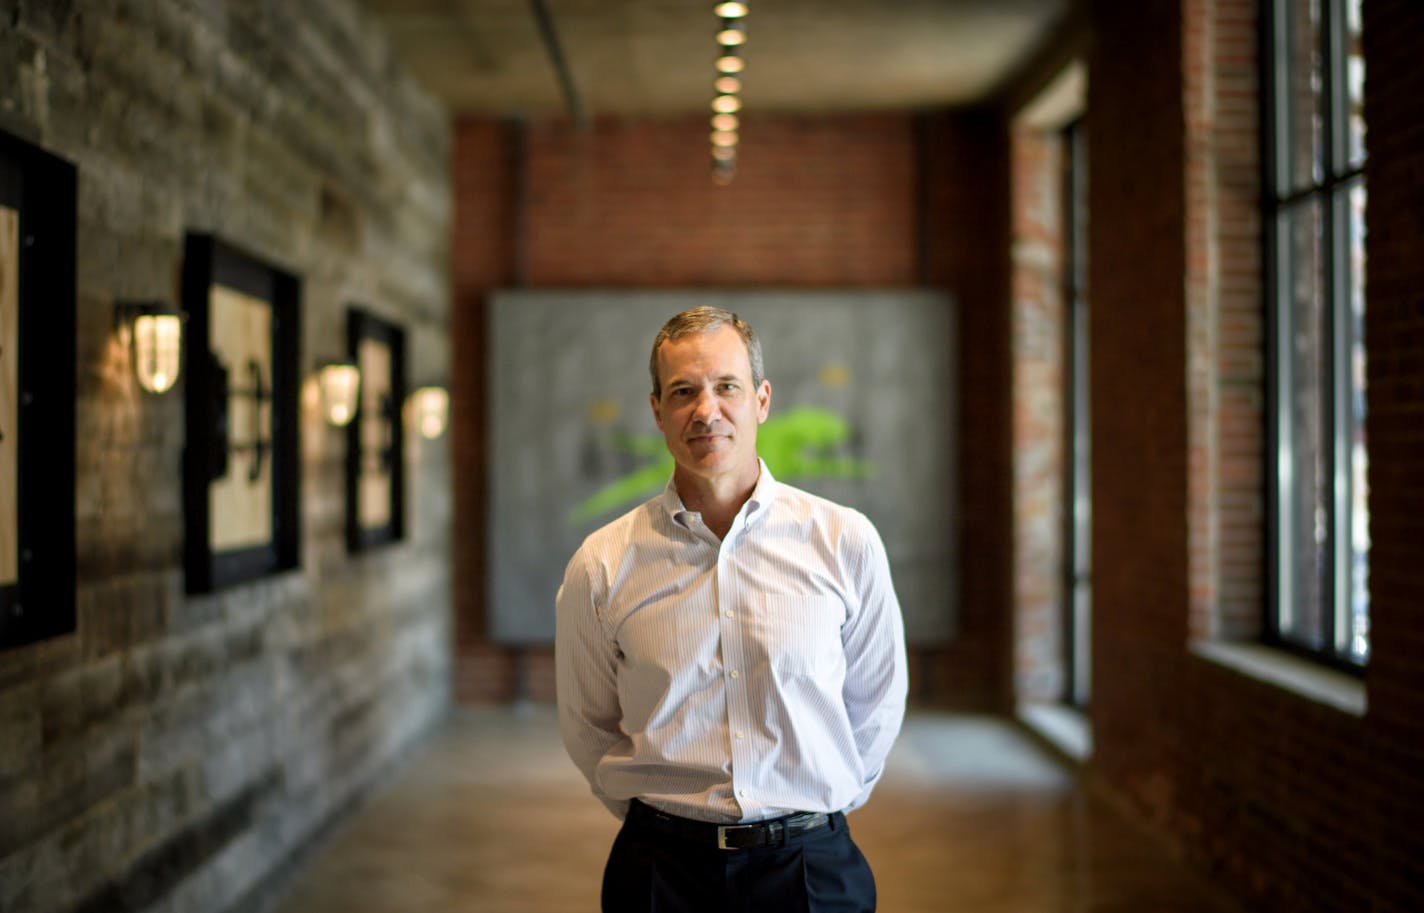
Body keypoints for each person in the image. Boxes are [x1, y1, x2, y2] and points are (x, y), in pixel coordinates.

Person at [555, 306, 908, 913]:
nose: (705, 410)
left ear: (762, 400)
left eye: (727, 387)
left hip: (809, 870)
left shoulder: (845, 541)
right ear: (657, 410)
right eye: (683, 391)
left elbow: (876, 705)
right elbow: (586, 724)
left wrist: (812, 806)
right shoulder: (603, 563)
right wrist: (666, 817)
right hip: (661, 873)